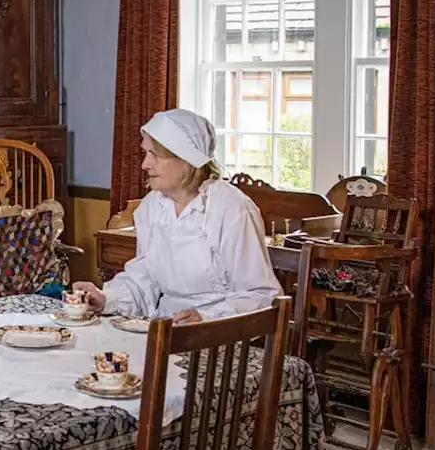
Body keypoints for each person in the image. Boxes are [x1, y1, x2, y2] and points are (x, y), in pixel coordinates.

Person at [74, 109, 281, 323]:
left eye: (154, 154)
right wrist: (106, 298)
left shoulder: (231, 208)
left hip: (222, 336)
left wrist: (205, 318)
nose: (145, 164)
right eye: (146, 153)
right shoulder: (152, 206)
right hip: (165, 328)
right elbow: (145, 278)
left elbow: (260, 295)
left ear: (186, 159)